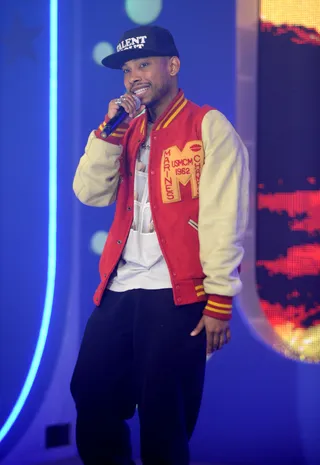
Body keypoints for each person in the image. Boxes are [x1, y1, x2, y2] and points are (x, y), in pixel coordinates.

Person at [71, 25, 249, 465]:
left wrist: (220, 296)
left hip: (176, 293)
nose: (134, 77)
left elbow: (225, 214)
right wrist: (108, 133)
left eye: (144, 64)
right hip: (120, 288)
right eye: (127, 70)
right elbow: (88, 192)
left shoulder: (207, 124)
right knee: (91, 395)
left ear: (173, 66)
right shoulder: (124, 131)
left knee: (164, 418)